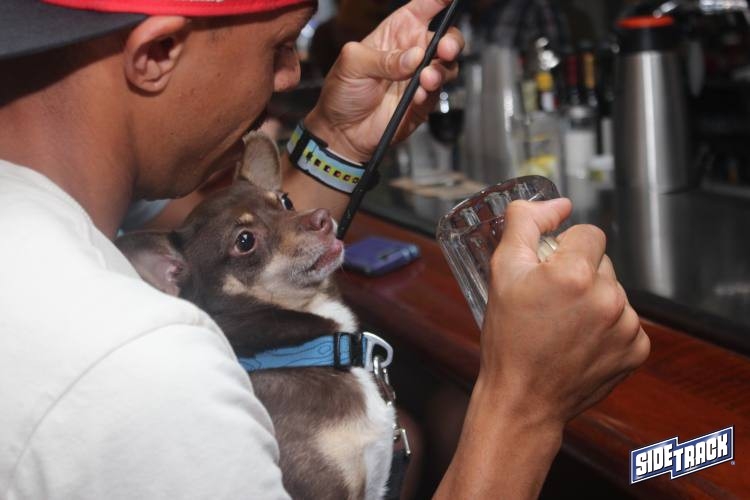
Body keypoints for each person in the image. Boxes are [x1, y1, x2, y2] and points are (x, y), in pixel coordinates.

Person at [0, 1, 650, 499]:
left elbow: (250, 236)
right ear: (158, 51)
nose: (292, 73)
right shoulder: (140, 369)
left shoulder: (54, 220)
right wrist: (526, 405)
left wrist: (340, 138)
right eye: (281, 45)